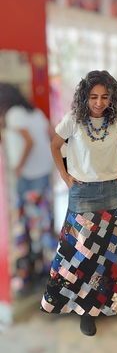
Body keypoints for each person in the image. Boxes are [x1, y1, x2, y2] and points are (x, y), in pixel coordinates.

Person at [41, 70, 117, 336]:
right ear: (84, 97)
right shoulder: (73, 120)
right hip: (82, 193)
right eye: (93, 96)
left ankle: (108, 302)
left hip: (113, 191)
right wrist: (65, 176)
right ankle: (84, 310)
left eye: (105, 96)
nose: (99, 102)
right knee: (82, 254)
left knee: (109, 253)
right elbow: (55, 145)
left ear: (112, 97)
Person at [0, 83, 55, 295]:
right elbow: (51, 133)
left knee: (26, 226)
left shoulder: (14, 114)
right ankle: (47, 271)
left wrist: (18, 167)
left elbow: (29, 142)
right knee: (43, 223)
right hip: (42, 174)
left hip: (29, 176)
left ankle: (29, 275)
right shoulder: (35, 112)